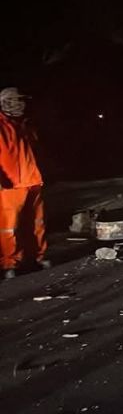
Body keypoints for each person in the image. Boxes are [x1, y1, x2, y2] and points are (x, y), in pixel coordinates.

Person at [0, 87, 48, 279]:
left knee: (36, 223)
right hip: (10, 185)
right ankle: (10, 263)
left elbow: (35, 150)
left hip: (33, 181)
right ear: (4, 102)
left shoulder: (25, 125)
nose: (21, 104)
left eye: (22, 100)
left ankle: (38, 257)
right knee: (9, 228)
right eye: (16, 100)